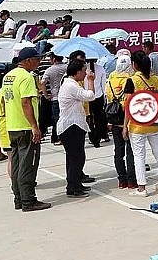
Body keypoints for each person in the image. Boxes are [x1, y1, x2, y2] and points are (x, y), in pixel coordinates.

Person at [3, 47, 50, 212]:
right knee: (28, 164)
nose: (39, 62)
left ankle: (19, 199)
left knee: (16, 164)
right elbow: (25, 102)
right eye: (37, 59)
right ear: (28, 60)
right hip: (25, 127)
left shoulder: (9, 76)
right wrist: (34, 126)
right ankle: (28, 200)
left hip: (12, 125)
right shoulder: (26, 77)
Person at [123, 51, 158, 196]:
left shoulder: (132, 81)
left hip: (138, 125)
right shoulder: (157, 80)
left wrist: (125, 126)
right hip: (154, 123)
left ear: (134, 64)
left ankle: (142, 187)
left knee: (139, 156)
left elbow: (128, 106)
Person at [57, 59, 96, 197]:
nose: (85, 74)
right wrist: (91, 81)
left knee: (73, 157)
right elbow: (90, 96)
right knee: (77, 158)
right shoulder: (70, 85)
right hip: (71, 126)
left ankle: (76, 183)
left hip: (73, 125)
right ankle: (73, 187)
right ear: (77, 71)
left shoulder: (71, 84)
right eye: (84, 71)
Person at [106, 54, 137, 189]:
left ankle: (121, 180)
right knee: (130, 152)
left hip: (114, 119)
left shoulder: (110, 80)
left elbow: (108, 100)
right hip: (127, 119)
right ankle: (131, 180)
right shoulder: (130, 80)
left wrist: (109, 120)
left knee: (118, 152)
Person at [68, 50, 109, 147]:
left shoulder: (82, 70)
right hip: (98, 95)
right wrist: (104, 94)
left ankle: (92, 136)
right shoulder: (100, 68)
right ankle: (97, 139)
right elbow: (103, 84)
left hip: (86, 96)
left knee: (89, 117)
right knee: (98, 118)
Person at [41, 54, 67, 145]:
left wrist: (46, 95)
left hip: (55, 97)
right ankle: (64, 137)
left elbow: (42, 83)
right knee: (65, 118)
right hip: (66, 96)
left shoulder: (50, 70)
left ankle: (59, 137)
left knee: (57, 119)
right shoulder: (67, 68)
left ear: (54, 59)